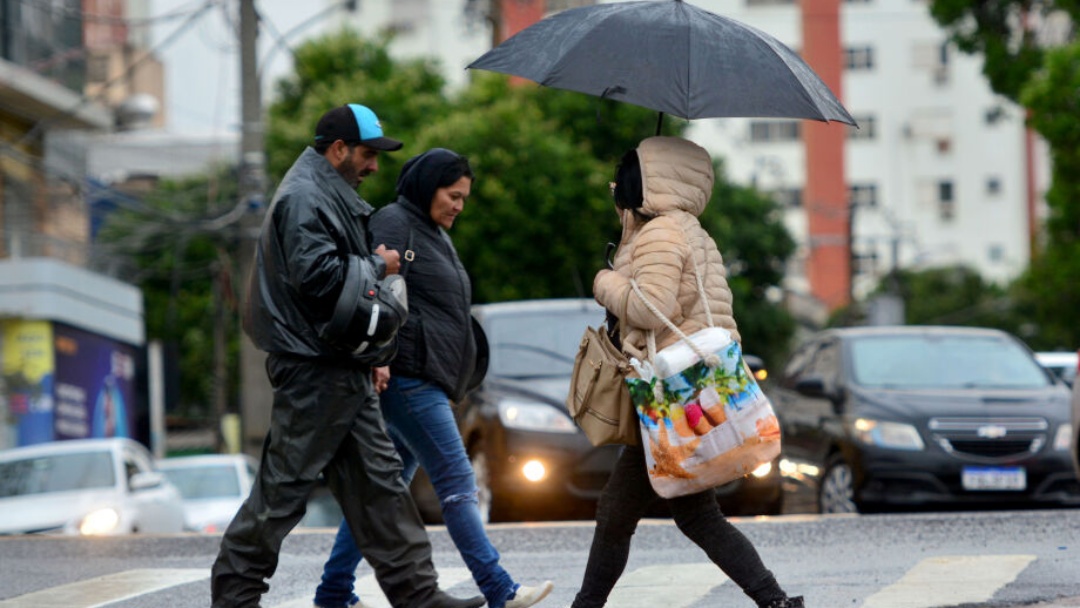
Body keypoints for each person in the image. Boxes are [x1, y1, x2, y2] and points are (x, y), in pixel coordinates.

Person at [210, 104, 484, 608]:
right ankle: (235, 597)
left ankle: (419, 595)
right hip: (313, 372)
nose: (375, 166)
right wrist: (377, 267)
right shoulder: (305, 199)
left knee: (381, 488)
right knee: (279, 495)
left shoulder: (325, 193)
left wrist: (373, 348)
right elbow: (320, 281)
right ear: (338, 150)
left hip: (339, 368)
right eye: (367, 154)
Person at [312, 148, 554, 608]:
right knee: (458, 481)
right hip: (408, 377)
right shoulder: (393, 224)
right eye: (453, 195)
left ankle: (333, 591)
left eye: (464, 198)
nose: (459, 206)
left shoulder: (433, 233)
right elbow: (369, 293)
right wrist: (378, 357)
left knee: (384, 493)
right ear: (428, 188)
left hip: (428, 378)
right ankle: (499, 588)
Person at [571, 136, 804, 608]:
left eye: (621, 178)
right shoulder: (689, 229)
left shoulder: (660, 233)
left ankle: (775, 601)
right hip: (687, 389)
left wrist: (606, 281)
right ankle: (775, 601)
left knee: (626, 513)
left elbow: (652, 307)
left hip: (672, 392)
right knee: (688, 514)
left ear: (640, 184)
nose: (614, 187)